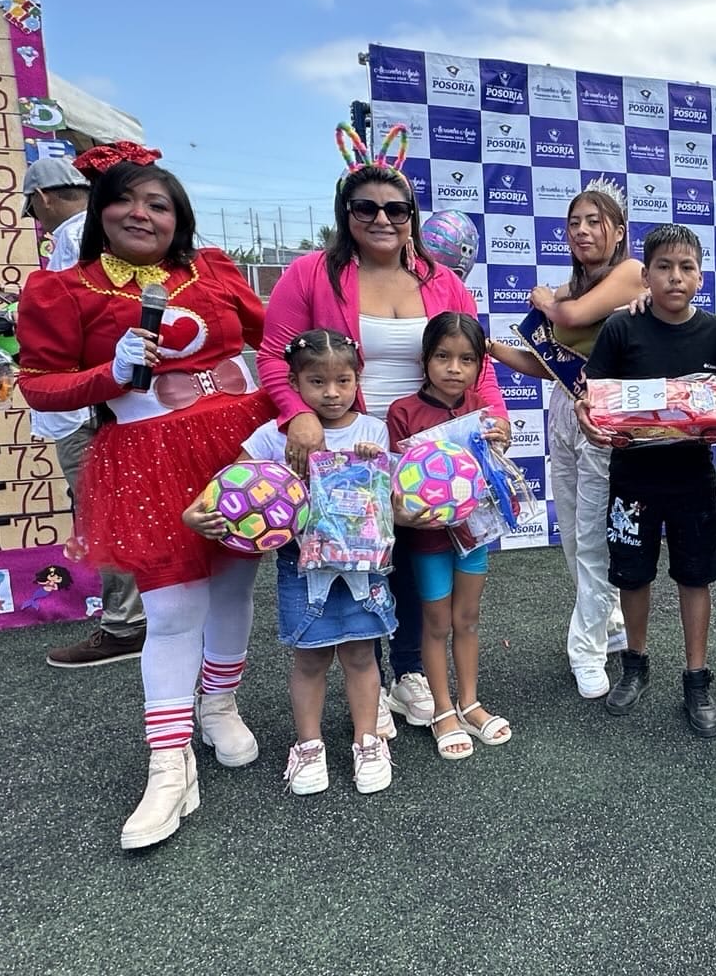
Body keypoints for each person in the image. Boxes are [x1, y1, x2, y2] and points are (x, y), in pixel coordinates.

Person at [16, 142, 272, 849]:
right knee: (172, 609)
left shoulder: (211, 270)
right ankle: (168, 761)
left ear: (178, 218)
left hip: (237, 449)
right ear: (100, 210)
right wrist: (109, 371)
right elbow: (40, 383)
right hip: (149, 460)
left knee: (233, 587)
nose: (141, 214)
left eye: (158, 204)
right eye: (126, 200)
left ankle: (219, 705)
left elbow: (273, 337)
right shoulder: (62, 289)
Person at [257, 127, 510, 738]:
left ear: (412, 216)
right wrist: (298, 413)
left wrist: (494, 416)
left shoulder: (442, 279)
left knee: (421, 555)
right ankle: (369, 684)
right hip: (355, 443)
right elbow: (272, 355)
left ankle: (408, 674)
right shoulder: (310, 273)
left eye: (396, 209)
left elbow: (477, 359)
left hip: (433, 440)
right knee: (362, 555)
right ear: (345, 213)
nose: (381, 219)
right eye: (365, 207)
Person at [185, 329, 396, 795]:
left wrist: (374, 461)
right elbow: (230, 483)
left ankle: (368, 741)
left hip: (363, 568)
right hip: (301, 568)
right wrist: (196, 512)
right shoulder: (272, 435)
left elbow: (387, 492)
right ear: (294, 384)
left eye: (343, 381)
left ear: (357, 380)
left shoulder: (372, 430)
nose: (332, 393)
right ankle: (308, 745)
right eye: (317, 382)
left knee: (361, 654)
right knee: (310, 658)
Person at [0, 156, 149, 668]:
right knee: (120, 507)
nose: (37, 221)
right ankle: (145, 617)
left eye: (32, 209)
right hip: (98, 398)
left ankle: (126, 625)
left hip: (82, 405)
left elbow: (76, 312)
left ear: (43, 197)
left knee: (104, 511)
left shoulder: (75, 234)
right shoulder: (99, 233)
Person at [577, 223, 716, 737]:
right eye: (664, 267)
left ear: (700, 276)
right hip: (633, 478)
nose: (675, 277)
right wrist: (587, 417)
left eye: (686, 267)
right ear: (645, 275)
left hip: (693, 478)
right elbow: (592, 396)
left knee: (695, 577)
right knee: (633, 575)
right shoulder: (621, 329)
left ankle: (697, 679)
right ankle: (635, 665)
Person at [486, 181, 643, 699]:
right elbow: (545, 365)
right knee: (574, 535)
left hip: (604, 416)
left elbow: (571, 318)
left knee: (594, 537)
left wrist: (543, 300)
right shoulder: (568, 289)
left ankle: (586, 649)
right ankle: (608, 624)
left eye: (595, 221)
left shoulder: (629, 273)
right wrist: (489, 348)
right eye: (575, 222)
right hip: (563, 410)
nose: (582, 230)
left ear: (618, 231)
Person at [387, 313, 514, 760]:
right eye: (443, 356)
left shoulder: (482, 409)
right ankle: (442, 709)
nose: (454, 368)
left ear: (480, 364)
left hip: (474, 533)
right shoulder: (403, 412)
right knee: (436, 623)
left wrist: (500, 442)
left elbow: (493, 466)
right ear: (425, 359)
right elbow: (394, 480)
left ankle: (470, 703)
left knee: (468, 618)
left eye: (466, 359)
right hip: (427, 541)